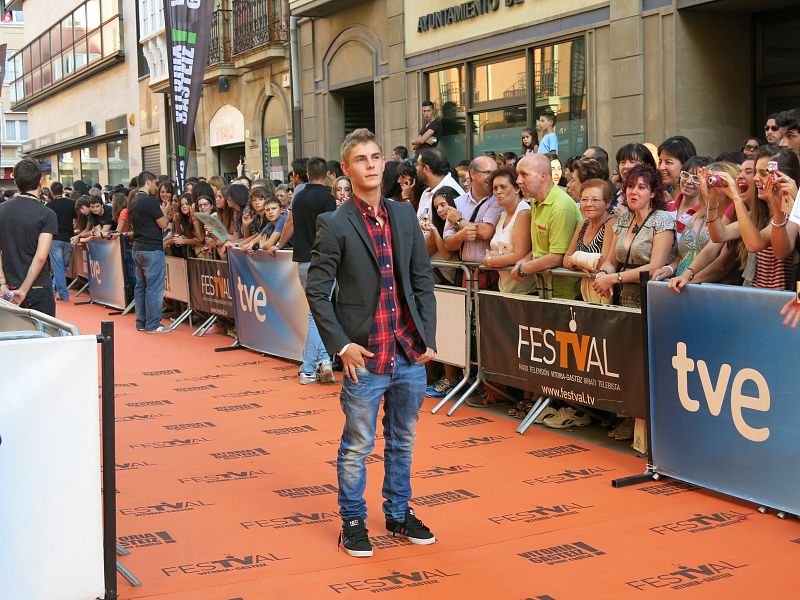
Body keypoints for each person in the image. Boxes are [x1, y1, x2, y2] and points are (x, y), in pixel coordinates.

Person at [306, 128, 437, 558]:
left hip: (407, 350)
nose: (372, 165)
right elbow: (317, 290)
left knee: (403, 439)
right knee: (357, 445)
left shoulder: (402, 215)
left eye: (376, 157)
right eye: (361, 159)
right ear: (346, 169)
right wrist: (341, 346)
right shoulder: (334, 223)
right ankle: (353, 521)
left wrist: (427, 337)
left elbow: (421, 279)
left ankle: (398, 514)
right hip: (365, 354)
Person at [270, 157, 337, 385]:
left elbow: (289, 224)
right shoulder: (329, 198)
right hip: (324, 262)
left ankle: (323, 362)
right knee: (318, 314)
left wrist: (278, 245)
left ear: (307, 174)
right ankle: (309, 367)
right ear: (327, 173)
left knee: (317, 313)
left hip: (304, 262)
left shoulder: (298, 198)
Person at [592, 163, 676, 307]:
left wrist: (614, 278)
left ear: (653, 193)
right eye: (630, 186)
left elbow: (655, 266)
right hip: (621, 298)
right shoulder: (624, 219)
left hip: (651, 299)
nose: (633, 192)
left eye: (641, 187)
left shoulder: (662, 219)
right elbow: (612, 261)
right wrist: (603, 274)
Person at [512, 154, 582, 299]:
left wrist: (524, 268)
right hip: (545, 288)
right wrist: (526, 259)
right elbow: (541, 247)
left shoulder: (561, 206)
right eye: (518, 175)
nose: (518, 181)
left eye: (524, 174)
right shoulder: (535, 202)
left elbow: (557, 256)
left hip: (564, 294)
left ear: (542, 176)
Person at [0, 159, 57, 315]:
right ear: (40, 181)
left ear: (15, 181)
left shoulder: (2, 210)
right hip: (38, 289)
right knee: (43, 337)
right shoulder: (47, 214)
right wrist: (24, 290)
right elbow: (40, 256)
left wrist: (2, 284)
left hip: (8, 289)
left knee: (11, 338)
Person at [127, 171, 170, 333]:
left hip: (137, 247)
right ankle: (153, 324)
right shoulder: (149, 201)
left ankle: (141, 322)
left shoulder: (133, 201)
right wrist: (165, 211)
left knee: (141, 286)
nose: (157, 187)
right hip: (151, 249)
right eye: (156, 183)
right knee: (154, 288)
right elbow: (163, 224)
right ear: (149, 182)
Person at [443, 155, 502, 268]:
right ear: (473, 174)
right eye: (488, 172)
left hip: (490, 271)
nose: (492, 178)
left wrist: (459, 221)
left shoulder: (498, 200)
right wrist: (459, 236)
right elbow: (448, 243)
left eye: (495, 173)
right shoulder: (458, 202)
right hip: (466, 271)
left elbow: (486, 232)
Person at [483, 166, 534, 295]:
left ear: (517, 188)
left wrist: (490, 261)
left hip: (524, 291)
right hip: (505, 288)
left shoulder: (523, 212)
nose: (498, 191)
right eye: (495, 188)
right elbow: (495, 249)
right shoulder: (503, 214)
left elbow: (518, 255)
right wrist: (495, 257)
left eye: (503, 187)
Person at [563, 178, 615, 304]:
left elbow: (604, 262)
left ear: (607, 203)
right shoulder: (583, 223)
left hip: (605, 293)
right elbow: (565, 259)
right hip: (584, 292)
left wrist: (575, 260)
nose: (588, 204)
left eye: (595, 200)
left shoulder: (612, 223)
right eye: (584, 199)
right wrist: (585, 261)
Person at [668, 155, 711, 240]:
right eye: (686, 175)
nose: (688, 181)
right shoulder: (666, 207)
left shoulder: (706, 216)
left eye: (696, 178)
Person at [46, 181, 76, 302]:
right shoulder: (72, 204)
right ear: (63, 190)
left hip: (55, 238)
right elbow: (76, 219)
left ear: (52, 192)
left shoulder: (49, 206)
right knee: (62, 267)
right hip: (69, 238)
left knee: (59, 267)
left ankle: (62, 294)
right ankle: (55, 290)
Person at [415, 148, 464, 219]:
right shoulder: (427, 191)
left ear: (426, 168)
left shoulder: (451, 191)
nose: (415, 168)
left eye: (417, 164)